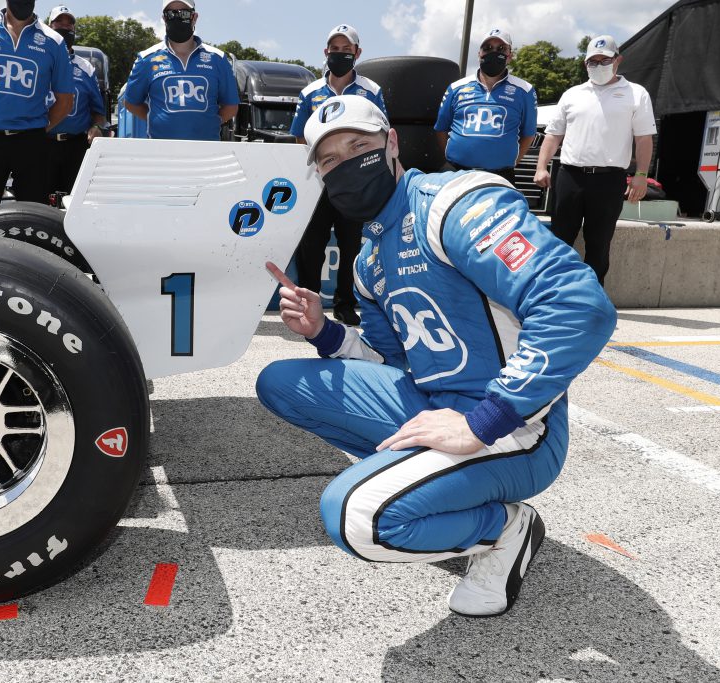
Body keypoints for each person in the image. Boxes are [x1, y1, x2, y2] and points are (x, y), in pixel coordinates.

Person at [256, 95, 616, 618]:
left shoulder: (453, 204)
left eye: (359, 146)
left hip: (517, 428)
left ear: (392, 143)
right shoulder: (369, 259)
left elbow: (578, 306)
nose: (347, 165)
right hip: (434, 402)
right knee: (279, 382)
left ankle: (506, 527)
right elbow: (390, 362)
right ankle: (431, 484)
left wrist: (481, 423)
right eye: (330, 160)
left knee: (361, 518)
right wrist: (323, 333)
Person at [533, 35, 655, 286]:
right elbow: (553, 135)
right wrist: (541, 167)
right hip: (570, 175)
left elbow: (643, 139)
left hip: (609, 179)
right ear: (585, 64)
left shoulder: (636, 93)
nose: (598, 65)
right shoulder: (572, 94)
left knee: (599, 243)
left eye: (604, 60)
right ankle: (553, 295)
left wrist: (642, 176)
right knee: (558, 239)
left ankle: (591, 299)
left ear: (618, 60)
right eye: (593, 61)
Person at [289, 24, 388, 326]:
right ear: (326, 52)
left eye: (347, 50)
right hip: (317, 184)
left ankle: (346, 303)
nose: (340, 54)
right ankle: (309, 301)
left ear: (357, 53)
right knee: (312, 246)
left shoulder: (371, 91)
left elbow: (382, 131)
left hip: (355, 183)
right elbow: (299, 137)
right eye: (335, 49)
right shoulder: (310, 92)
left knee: (351, 245)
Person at [0, 0, 75, 221]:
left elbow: (65, 100)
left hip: (31, 143)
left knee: (33, 219)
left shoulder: (54, 41)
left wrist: (38, 127)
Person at [123, 0, 238, 140]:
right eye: (171, 14)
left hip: (208, 151)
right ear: (164, 18)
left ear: (194, 17)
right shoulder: (146, 59)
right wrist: (155, 118)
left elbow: (231, 106)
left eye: (183, 13)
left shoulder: (218, 59)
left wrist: (210, 122)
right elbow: (131, 102)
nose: (176, 17)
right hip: (161, 151)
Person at [434, 28, 537, 184]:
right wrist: (450, 157)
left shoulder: (525, 90)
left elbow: (529, 134)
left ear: (510, 56)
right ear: (479, 54)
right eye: (487, 48)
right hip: (456, 172)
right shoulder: (456, 88)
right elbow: (441, 128)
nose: (493, 52)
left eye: (501, 49)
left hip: (500, 176)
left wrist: (511, 162)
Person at [44, 6, 107, 194]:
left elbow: (98, 110)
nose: (65, 27)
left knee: (74, 202)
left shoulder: (86, 67)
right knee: (36, 202)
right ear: (49, 26)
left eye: (69, 24)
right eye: (59, 23)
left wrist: (97, 127)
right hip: (41, 144)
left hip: (75, 148)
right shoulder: (37, 58)